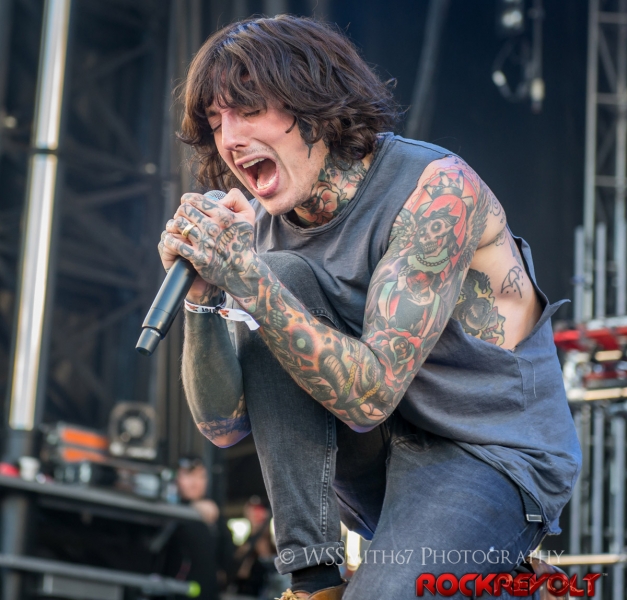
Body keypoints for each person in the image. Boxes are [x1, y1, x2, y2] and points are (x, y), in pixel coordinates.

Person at [158, 15, 582, 600]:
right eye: (216, 123)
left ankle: (499, 578)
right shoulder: (258, 229)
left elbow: (370, 394)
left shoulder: (438, 192)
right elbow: (223, 428)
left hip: (488, 454)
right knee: (281, 275)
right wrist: (203, 295)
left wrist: (247, 277)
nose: (229, 139)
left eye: (248, 111)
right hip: (378, 455)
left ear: (313, 103)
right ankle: (313, 580)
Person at [161, 455, 235, 600]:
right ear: (175, 478)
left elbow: (227, 559)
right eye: (188, 475)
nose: (195, 483)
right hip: (171, 593)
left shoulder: (213, 514)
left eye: (201, 476)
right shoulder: (165, 510)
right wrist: (191, 508)